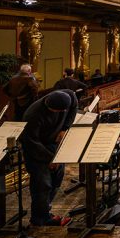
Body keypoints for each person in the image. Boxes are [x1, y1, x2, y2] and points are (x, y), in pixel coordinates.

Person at [19, 90, 77, 226]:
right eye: (56, 111)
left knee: (57, 178)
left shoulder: (69, 96)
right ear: (48, 106)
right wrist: (49, 159)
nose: (59, 113)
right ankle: (40, 218)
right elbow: (30, 142)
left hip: (53, 144)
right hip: (36, 149)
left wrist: (65, 128)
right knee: (42, 184)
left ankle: (45, 208)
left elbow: (74, 107)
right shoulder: (33, 115)